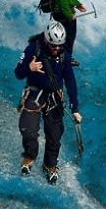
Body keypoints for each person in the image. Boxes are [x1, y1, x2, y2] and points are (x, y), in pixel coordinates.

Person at [14, 21, 81, 185]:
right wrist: (29, 68)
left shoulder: (64, 56)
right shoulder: (33, 49)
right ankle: (29, 158)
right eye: (53, 45)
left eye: (59, 45)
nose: (57, 49)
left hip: (54, 98)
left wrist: (75, 108)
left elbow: (70, 81)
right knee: (29, 130)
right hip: (35, 93)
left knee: (54, 136)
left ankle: (49, 165)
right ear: (46, 40)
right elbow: (18, 72)